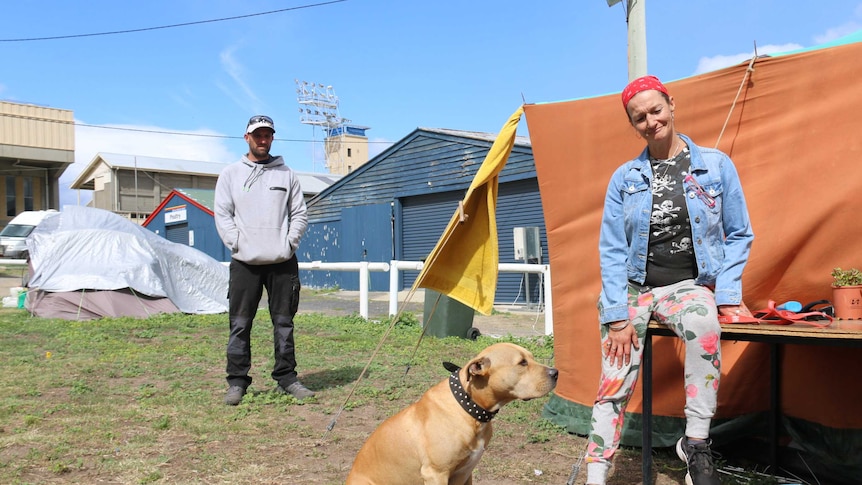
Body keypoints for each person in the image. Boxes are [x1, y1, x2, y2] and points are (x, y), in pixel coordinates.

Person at [584, 76, 755, 485]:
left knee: (704, 327)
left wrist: (728, 293)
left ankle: (696, 445)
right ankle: (595, 471)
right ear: (633, 124)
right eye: (639, 117)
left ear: (671, 105)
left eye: (655, 110)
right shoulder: (625, 178)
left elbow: (740, 232)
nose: (650, 121)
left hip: (686, 286)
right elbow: (610, 248)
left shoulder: (714, 165)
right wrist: (616, 315)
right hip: (633, 288)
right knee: (616, 372)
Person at [214, 115, 313, 406]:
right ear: (246, 137)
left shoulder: (287, 175)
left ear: (272, 138)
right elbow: (222, 214)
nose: (262, 139)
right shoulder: (231, 174)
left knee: (284, 323)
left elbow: (300, 214)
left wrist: (288, 243)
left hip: (282, 262)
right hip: (245, 262)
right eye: (257, 134)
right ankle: (237, 382)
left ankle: (287, 378)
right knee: (240, 324)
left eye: (267, 134)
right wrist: (237, 243)